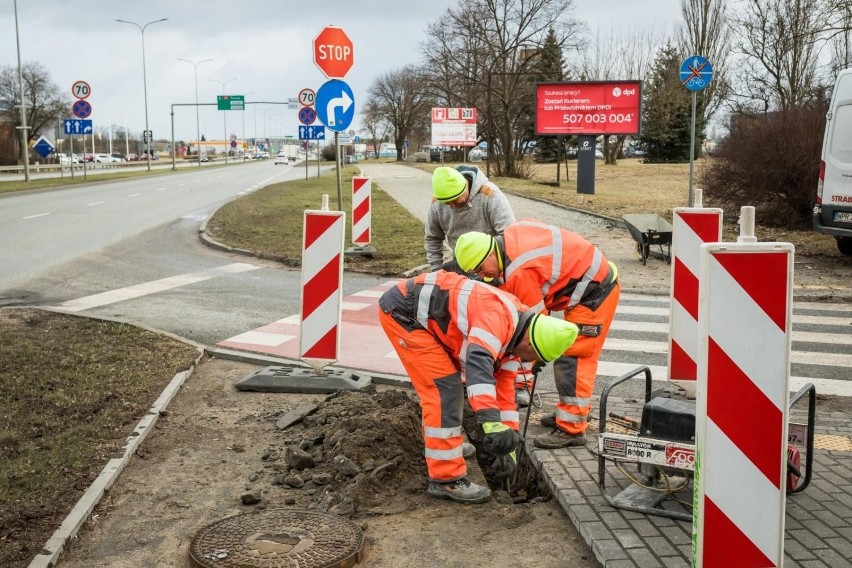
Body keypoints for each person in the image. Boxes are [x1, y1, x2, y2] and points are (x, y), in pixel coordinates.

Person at [378, 270, 579, 504]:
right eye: (531, 355)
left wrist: (509, 442)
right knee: (445, 390)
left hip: (431, 319)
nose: (527, 361)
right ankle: (446, 478)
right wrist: (491, 425)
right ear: (529, 342)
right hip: (405, 314)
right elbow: (478, 372)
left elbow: (504, 389)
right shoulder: (497, 320)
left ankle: (445, 449)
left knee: (448, 387)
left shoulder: (519, 331)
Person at [453, 220, 620, 450]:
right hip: (585, 277)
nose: (484, 276)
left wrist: (534, 357)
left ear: (490, 253)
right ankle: (573, 411)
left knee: (573, 357)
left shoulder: (519, 273)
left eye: (482, 269)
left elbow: (535, 328)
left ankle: (572, 427)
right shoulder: (509, 239)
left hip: (595, 291)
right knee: (568, 355)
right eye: (477, 274)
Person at [426, 166, 531, 404]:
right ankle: (473, 379)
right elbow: (433, 238)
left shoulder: (488, 195)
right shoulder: (438, 203)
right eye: (447, 202)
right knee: (464, 325)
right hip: (461, 265)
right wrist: (436, 273)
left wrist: (499, 270)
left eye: (456, 200)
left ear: (466, 188)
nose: (452, 206)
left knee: (512, 324)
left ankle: (520, 384)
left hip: (493, 262)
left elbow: (511, 233)